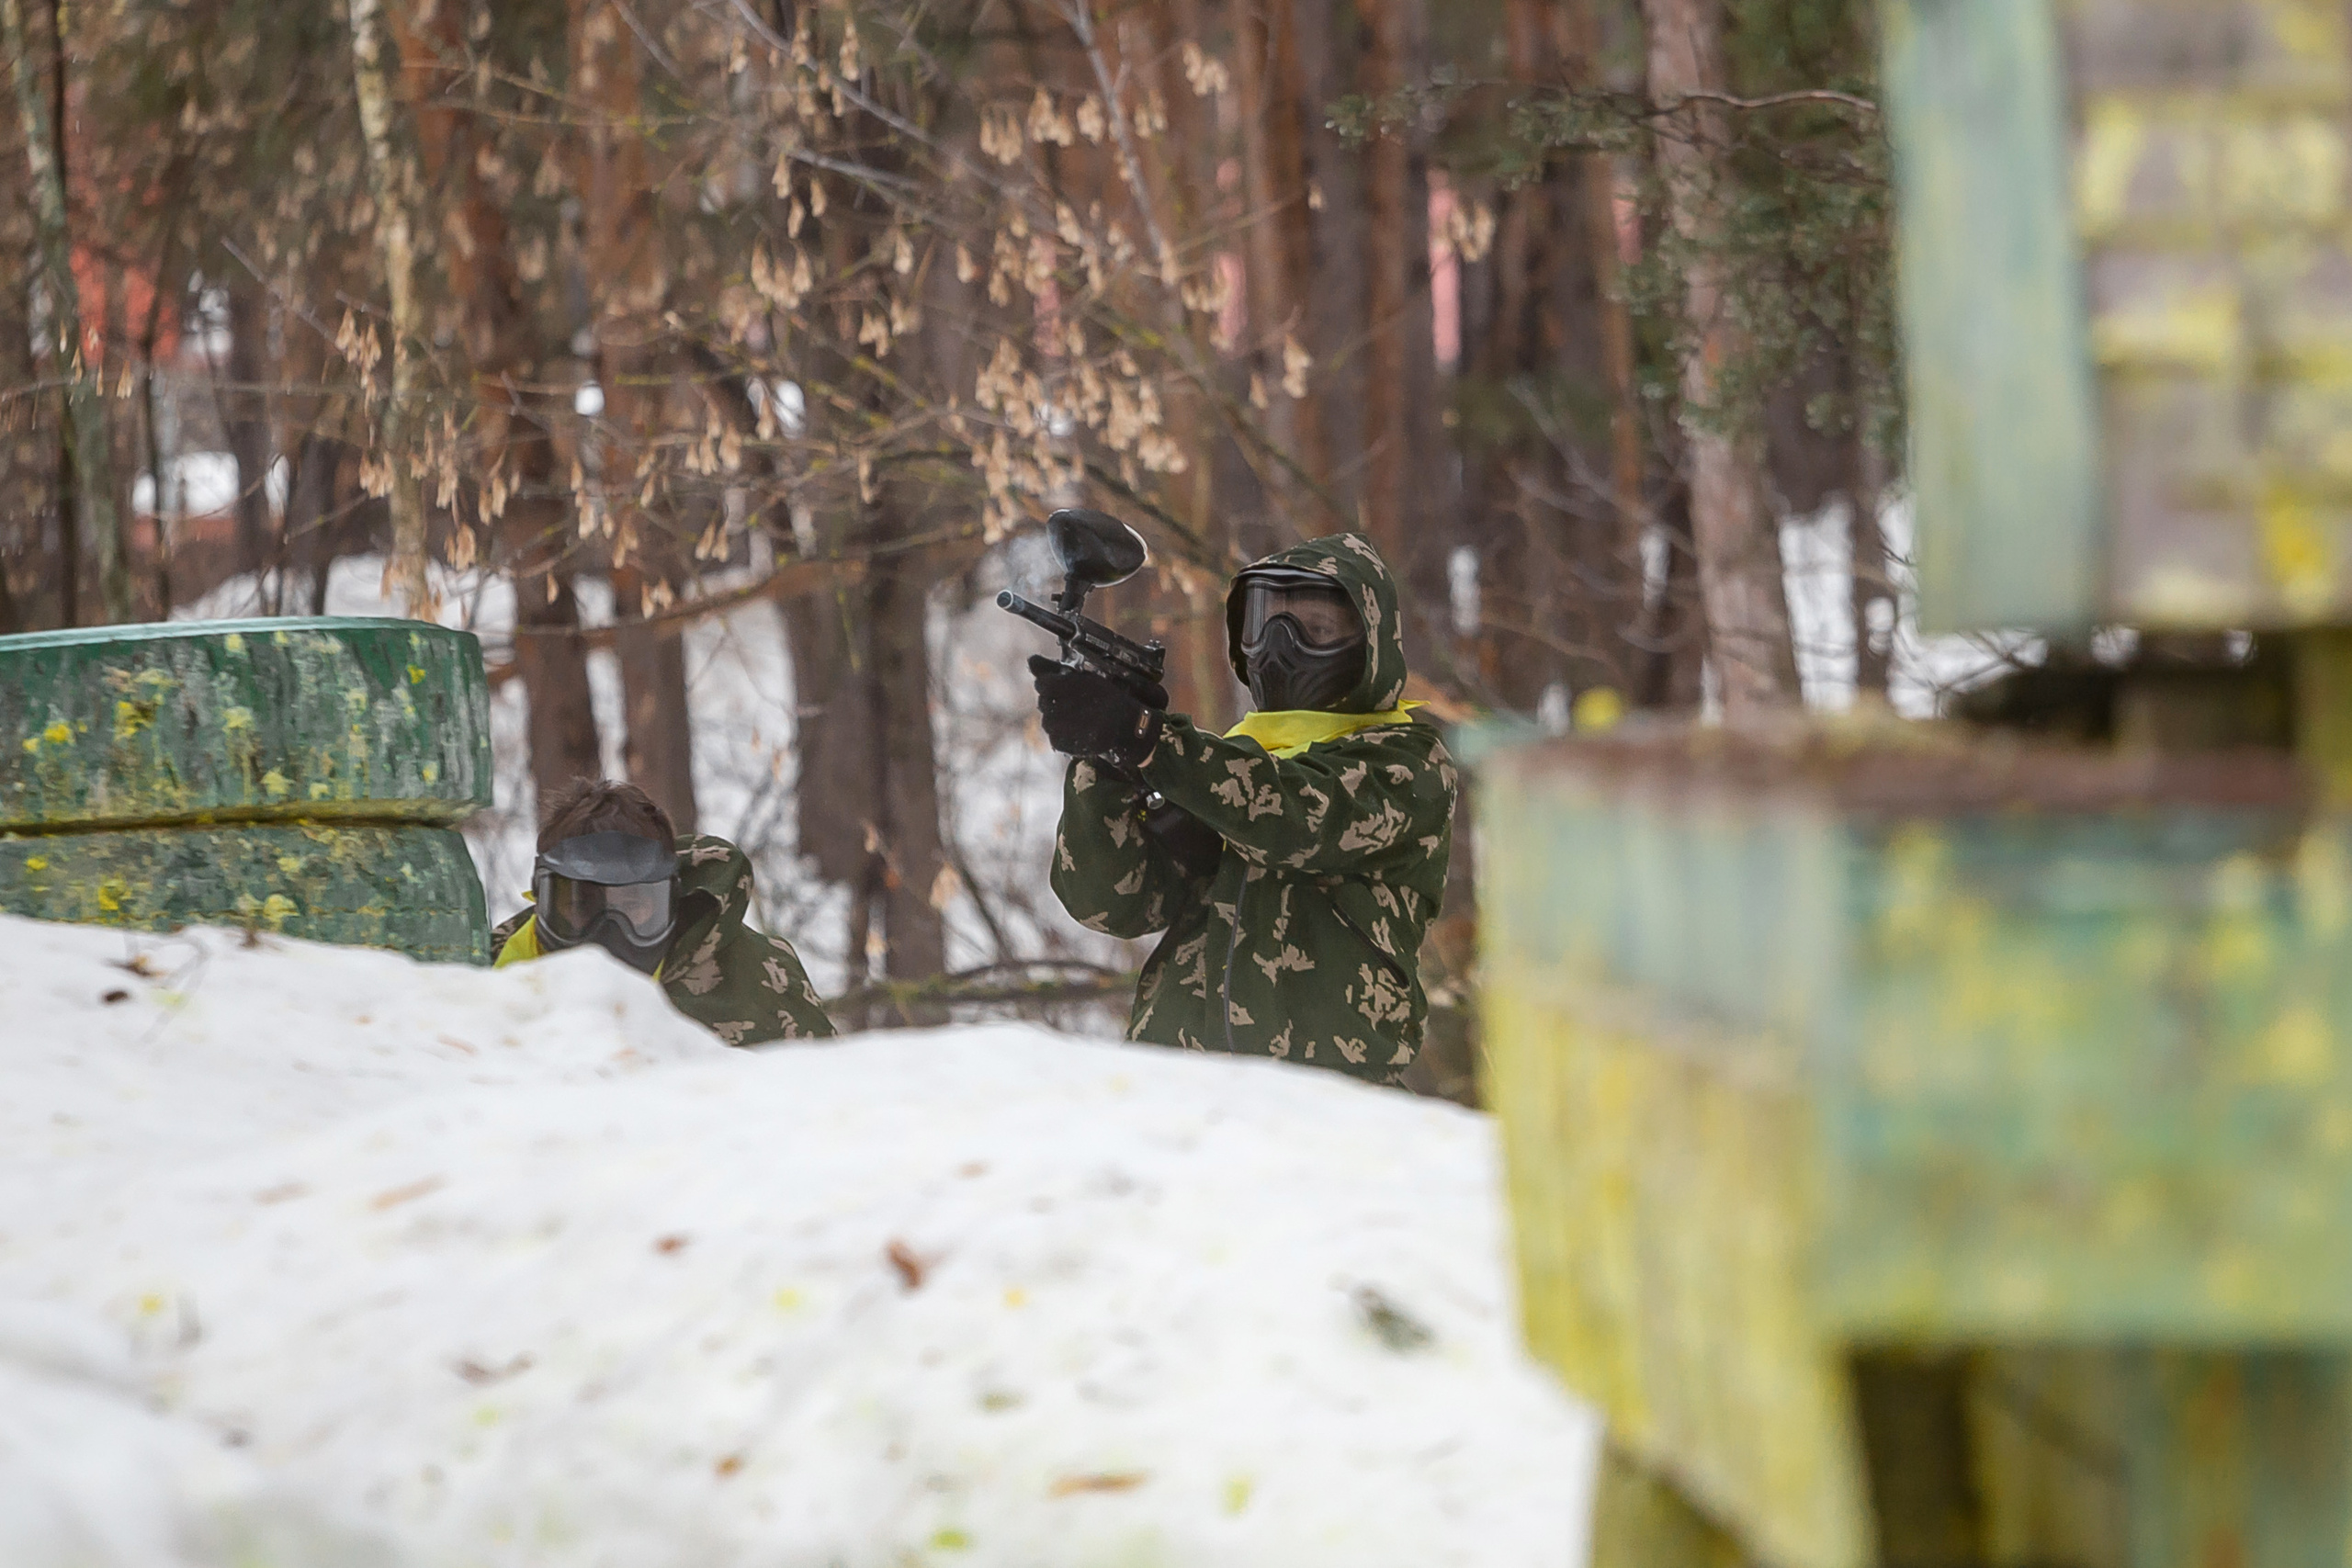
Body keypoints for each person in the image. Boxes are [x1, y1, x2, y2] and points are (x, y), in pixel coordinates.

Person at [1035, 531, 1456, 1086]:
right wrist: (1105, 762)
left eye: (1317, 629)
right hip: (1177, 1089)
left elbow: (1299, 820)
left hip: (1327, 1100)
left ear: (1370, 643)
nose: (1282, 646)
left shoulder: (1408, 766)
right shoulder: (1219, 768)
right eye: (1265, 626)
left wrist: (1149, 740)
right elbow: (1110, 904)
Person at [491, 779, 835, 1044]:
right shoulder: (486, 975)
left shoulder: (757, 981)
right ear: (542, 898)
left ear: (671, 901)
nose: (608, 932)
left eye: (633, 906)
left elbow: (823, 1101)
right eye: (582, 905)